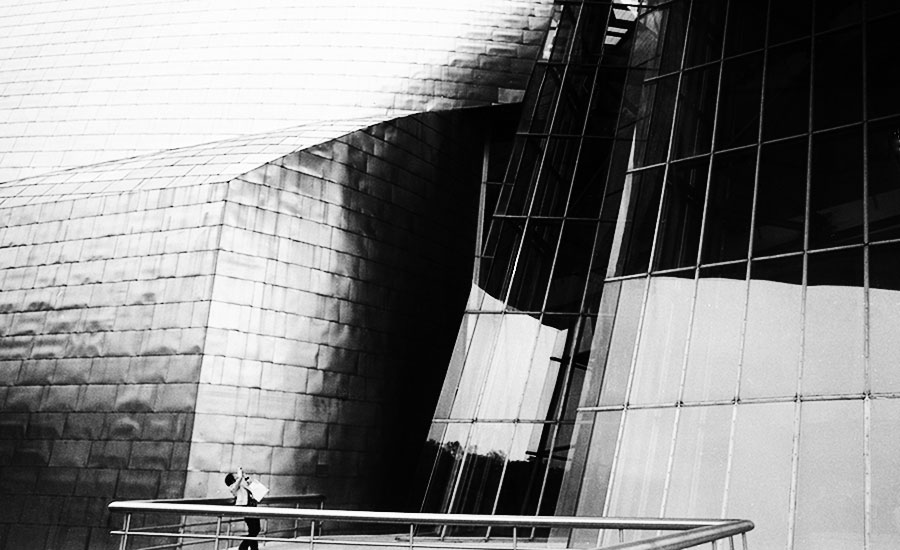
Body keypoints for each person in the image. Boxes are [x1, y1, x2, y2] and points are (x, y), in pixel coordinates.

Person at [224, 467, 260, 550]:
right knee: (254, 530)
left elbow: (252, 485)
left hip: (252, 507)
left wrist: (245, 476)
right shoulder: (233, 487)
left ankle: (249, 547)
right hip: (246, 509)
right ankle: (245, 547)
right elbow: (239, 479)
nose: (236, 476)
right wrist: (239, 472)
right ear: (232, 480)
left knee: (255, 530)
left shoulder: (241, 486)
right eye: (234, 476)